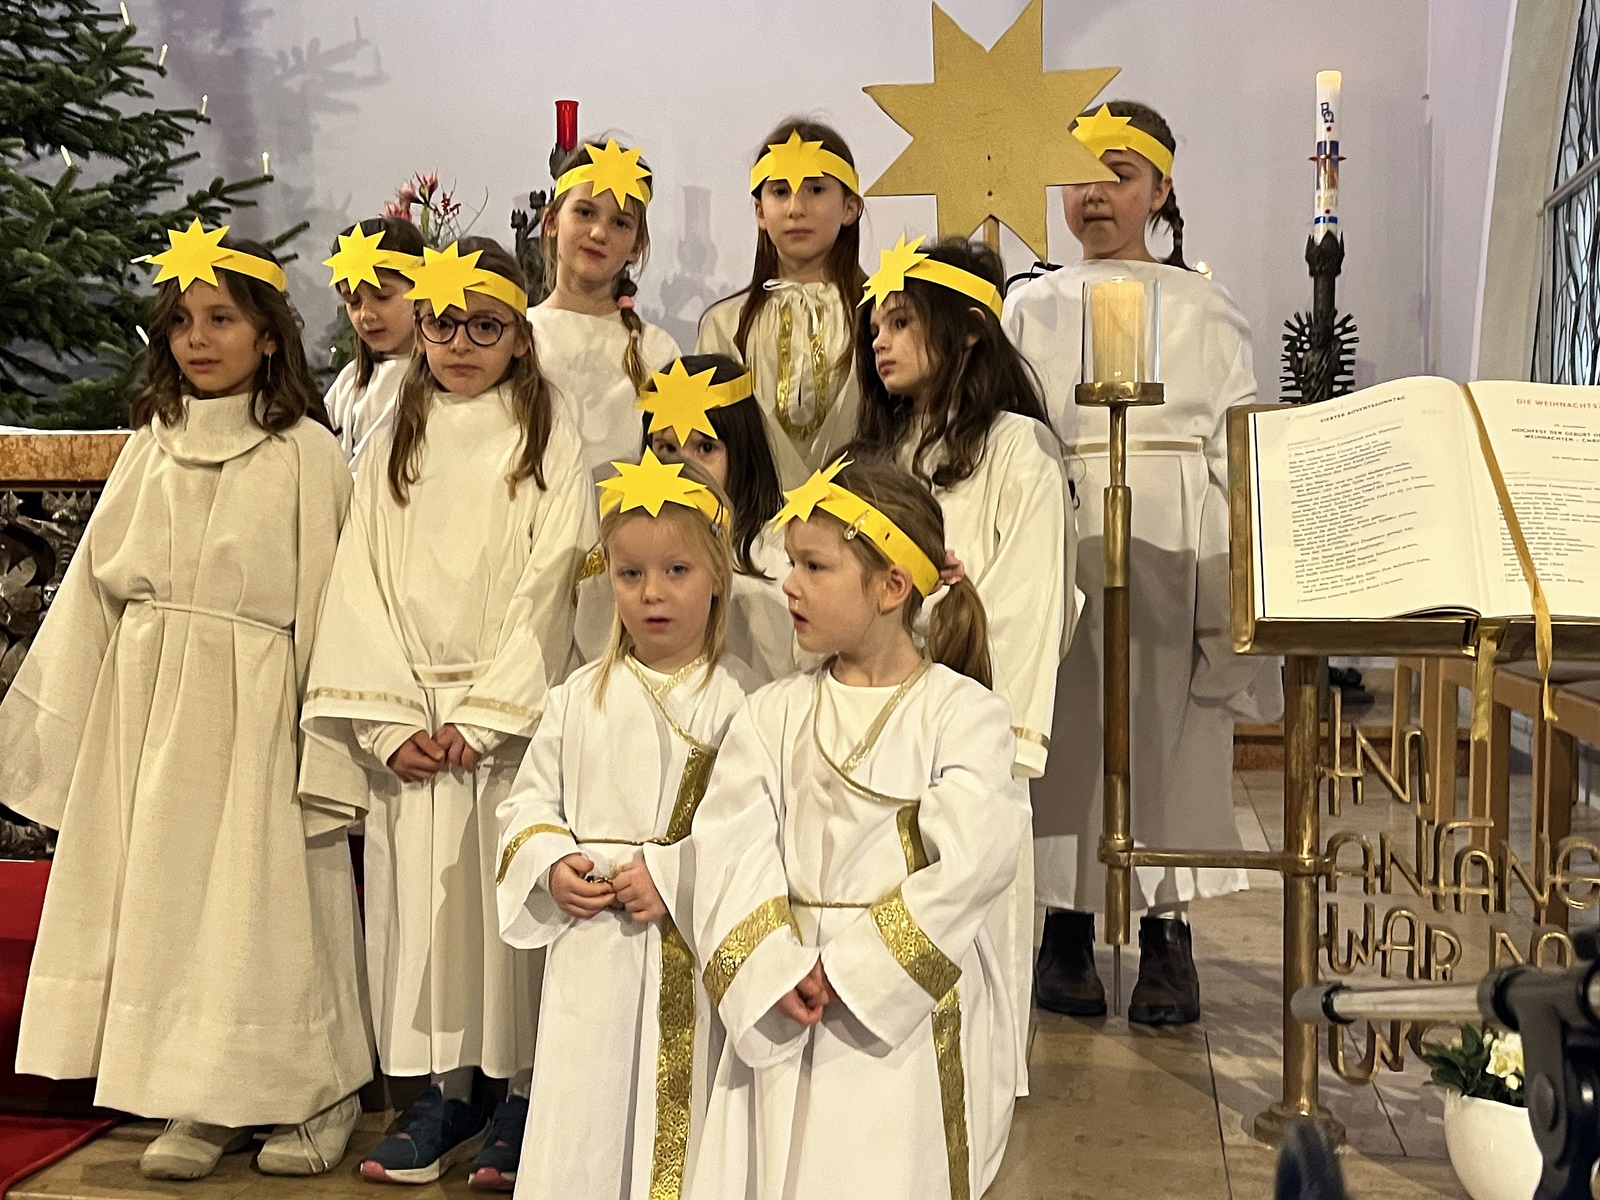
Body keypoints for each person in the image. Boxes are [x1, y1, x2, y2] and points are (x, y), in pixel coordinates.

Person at [0, 223, 370, 1180]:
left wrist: (326, 738)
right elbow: (92, 594)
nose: (197, 339)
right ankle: (197, 1097)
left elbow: (331, 600)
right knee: (169, 904)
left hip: (260, 705)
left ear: (270, 335)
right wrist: (68, 731)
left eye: (221, 319)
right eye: (181, 321)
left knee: (264, 900)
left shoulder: (305, 452)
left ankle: (311, 1091)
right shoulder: (152, 446)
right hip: (152, 701)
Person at [300, 237, 594, 1186]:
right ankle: (442, 1090)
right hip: (414, 721)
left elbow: (556, 574)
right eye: (442, 324)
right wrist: (387, 722)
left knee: (506, 919)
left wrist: (488, 712)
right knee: (424, 922)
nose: (461, 344)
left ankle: (523, 1093)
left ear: (520, 336)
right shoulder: (395, 433)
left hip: (504, 726)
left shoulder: (548, 433)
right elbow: (358, 578)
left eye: (485, 326)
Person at [1004, 102, 1283, 1025]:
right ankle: (1067, 925)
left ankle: (1169, 932)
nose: (1096, 194)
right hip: (1064, 530)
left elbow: (1236, 447)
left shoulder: (1205, 306)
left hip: (1175, 541)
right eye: (1080, 173)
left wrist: (1233, 582)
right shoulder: (1029, 305)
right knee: (1068, 731)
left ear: (1160, 191)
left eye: (1120, 175)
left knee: (1172, 734)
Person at [684, 457, 1024, 1200]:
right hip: (788, 996)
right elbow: (730, 846)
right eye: (791, 563)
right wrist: (776, 965)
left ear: (891, 587)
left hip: (903, 1016)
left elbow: (974, 861)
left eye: (814, 566)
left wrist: (854, 970)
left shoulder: (963, 714)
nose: (789, 584)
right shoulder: (771, 714)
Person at [850, 234, 1072, 1089]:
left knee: (970, 941)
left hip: (969, 737)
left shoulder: (1021, 449)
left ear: (968, 331)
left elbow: (1025, 606)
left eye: (903, 322)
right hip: (879, 730)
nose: (881, 341)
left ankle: (977, 1090)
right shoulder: (881, 454)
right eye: (877, 326)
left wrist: (975, 731)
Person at [495, 452, 746, 1199]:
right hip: (591, 955)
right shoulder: (577, 698)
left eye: (676, 571)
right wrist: (550, 863)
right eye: (630, 573)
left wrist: (672, 876)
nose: (651, 593)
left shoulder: (740, 706)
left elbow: (748, 832)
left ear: (718, 576)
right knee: (587, 1113)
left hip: (684, 946)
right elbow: (528, 803)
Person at [697, 119, 866, 486]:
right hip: (754, 515)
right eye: (780, 191)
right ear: (760, 211)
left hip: (866, 508)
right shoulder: (726, 324)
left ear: (850, 208)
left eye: (815, 189)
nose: (796, 208)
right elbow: (713, 442)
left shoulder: (877, 314)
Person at [531, 136, 680, 480]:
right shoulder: (520, 338)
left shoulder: (657, 350)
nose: (599, 233)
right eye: (585, 212)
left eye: (620, 222)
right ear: (551, 222)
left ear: (636, 246)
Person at [639, 354, 793, 684]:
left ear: (743, 453)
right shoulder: (628, 555)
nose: (684, 469)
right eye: (667, 449)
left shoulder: (786, 557)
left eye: (705, 448)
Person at [323, 216, 426, 469]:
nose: (366, 315)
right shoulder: (349, 381)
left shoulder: (441, 379)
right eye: (353, 301)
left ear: (421, 290)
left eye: (382, 296)